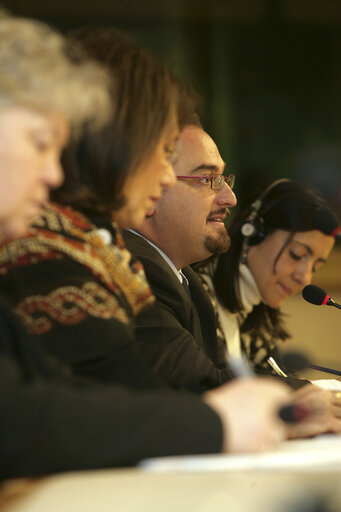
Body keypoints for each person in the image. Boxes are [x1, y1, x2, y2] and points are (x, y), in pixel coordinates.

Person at [0, 15, 291, 479]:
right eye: (39, 143)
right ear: (112, 145)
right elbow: (31, 423)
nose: (52, 172)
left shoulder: (94, 250)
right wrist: (216, 424)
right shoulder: (42, 252)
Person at [195, 178, 340, 376]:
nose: (305, 278)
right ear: (254, 233)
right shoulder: (194, 297)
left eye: (315, 267)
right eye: (296, 255)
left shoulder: (257, 328)